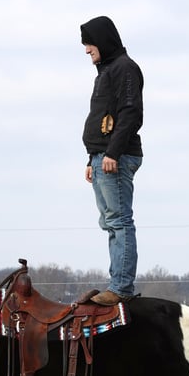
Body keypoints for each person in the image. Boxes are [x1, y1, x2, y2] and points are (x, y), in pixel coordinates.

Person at [80, 16, 144, 306]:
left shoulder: (125, 69)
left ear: (102, 41)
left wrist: (112, 154)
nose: (86, 51)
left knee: (119, 222)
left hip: (114, 157)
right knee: (109, 222)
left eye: (89, 44)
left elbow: (130, 113)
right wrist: (91, 159)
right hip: (101, 158)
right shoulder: (107, 71)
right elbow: (104, 117)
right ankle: (116, 283)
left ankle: (121, 288)